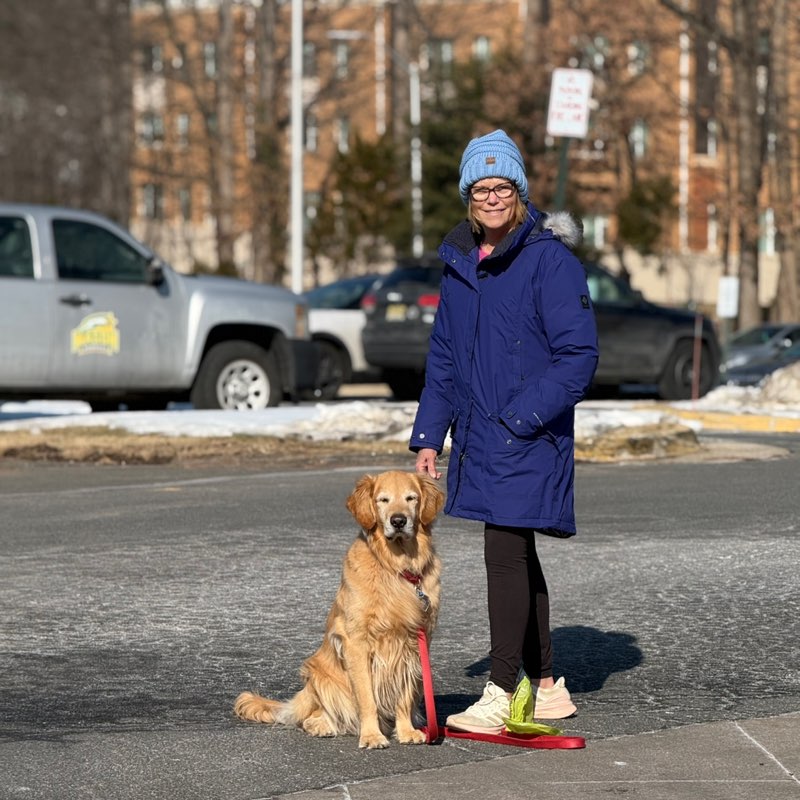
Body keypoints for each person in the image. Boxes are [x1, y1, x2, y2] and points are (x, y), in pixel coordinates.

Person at [410, 129, 599, 734]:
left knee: (504, 551)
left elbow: (578, 356)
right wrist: (429, 436)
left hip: (528, 433)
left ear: (519, 192)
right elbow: (445, 357)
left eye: (502, 187)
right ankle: (545, 686)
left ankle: (500, 688)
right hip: (480, 434)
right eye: (480, 188)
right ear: (468, 197)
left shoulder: (549, 260)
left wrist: (520, 418)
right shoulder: (462, 264)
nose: (492, 198)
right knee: (517, 550)